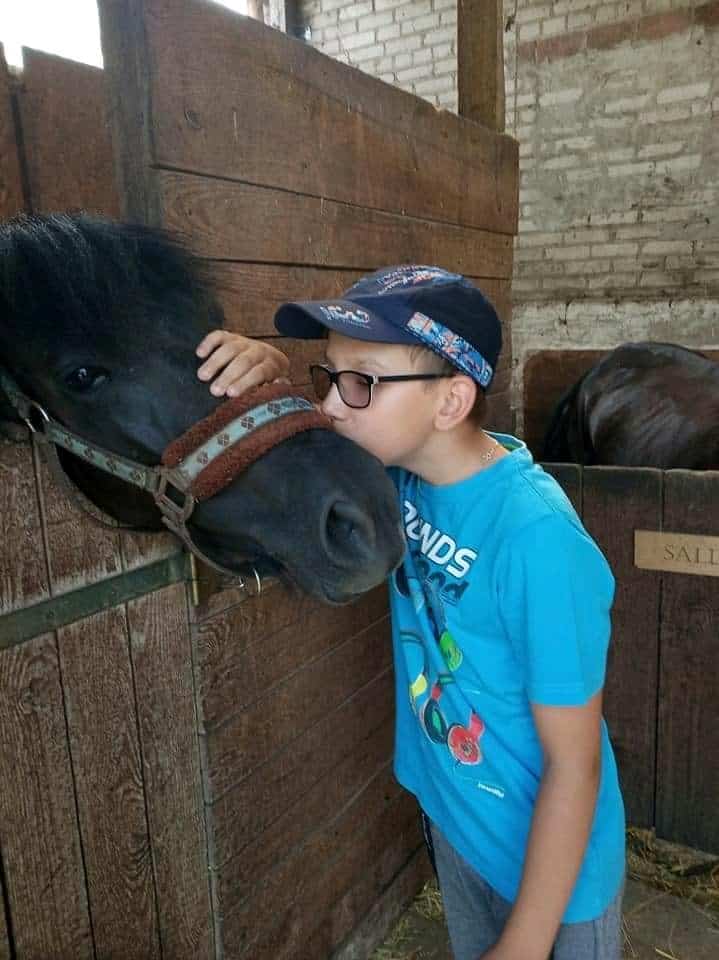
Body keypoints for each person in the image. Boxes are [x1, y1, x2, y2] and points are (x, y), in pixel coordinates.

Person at [195, 266, 626, 960]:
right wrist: (269, 378)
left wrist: (522, 946)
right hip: (457, 821)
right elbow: (312, 449)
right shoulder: (394, 476)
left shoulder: (537, 541)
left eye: (360, 380)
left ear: (451, 401)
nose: (333, 404)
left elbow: (573, 767)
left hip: (556, 871)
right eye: (326, 374)